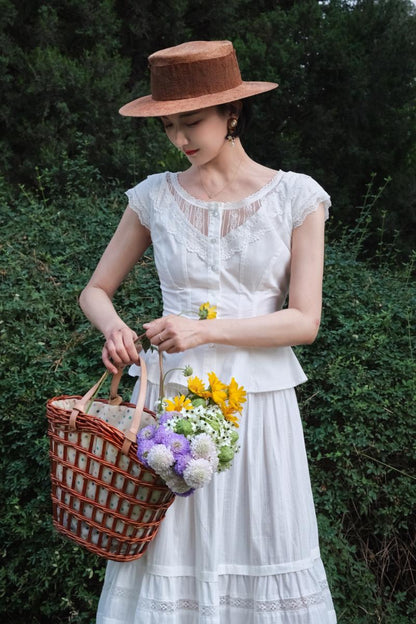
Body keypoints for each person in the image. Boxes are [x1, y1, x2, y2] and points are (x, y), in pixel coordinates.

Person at [79, 40, 336, 624]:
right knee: (169, 551)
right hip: (172, 405)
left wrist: (201, 331)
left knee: (263, 540)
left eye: (191, 122)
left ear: (233, 113)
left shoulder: (297, 197)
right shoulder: (153, 197)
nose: (180, 139)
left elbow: (304, 321)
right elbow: (95, 291)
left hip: (260, 405)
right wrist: (116, 328)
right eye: (169, 126)